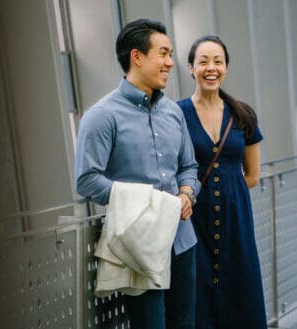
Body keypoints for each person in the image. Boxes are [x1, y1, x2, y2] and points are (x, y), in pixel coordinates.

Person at [74, 18, 200, 329]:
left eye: (171, 54)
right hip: (138, 244)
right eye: (163, 53)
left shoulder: (174, 112)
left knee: (184, 324)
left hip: (183, 242)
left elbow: (189, 166)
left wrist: (186, 192)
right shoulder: (102, 117)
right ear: (137, 57)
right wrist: (145, 203)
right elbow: (87, 179)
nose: (171, 63)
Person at [177, 35, 267, 329]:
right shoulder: (175, 114)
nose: (211, 67)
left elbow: (252, 175)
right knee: (197, 291)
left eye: (218, 61)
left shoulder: (243, 115)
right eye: (203, 61)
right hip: (193, 220)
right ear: (191, 68)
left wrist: (229, 194)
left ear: (226, 67)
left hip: (236, 219)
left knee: (240, 288)